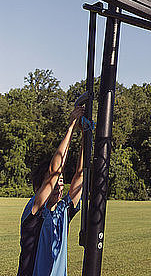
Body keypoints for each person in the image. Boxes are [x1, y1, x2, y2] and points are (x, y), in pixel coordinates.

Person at [17, 106, 85, 276]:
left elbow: (80, 174)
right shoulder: (33, 212)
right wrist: (71, 128)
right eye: (55, 183)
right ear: (38, 188)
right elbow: (54, 172)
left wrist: (85, 137)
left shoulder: (63, 211)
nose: (59, 186)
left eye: (61, 182)